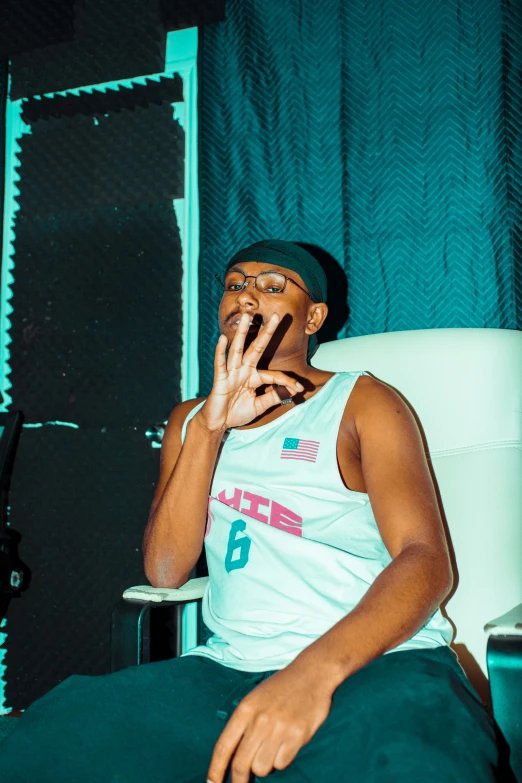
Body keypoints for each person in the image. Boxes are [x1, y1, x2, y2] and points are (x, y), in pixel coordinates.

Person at [0, 239, 505, 782]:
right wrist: (211, 430)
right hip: (228, 666)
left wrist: (310, 677)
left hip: (377, 661)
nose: (246, 297)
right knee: (45, 743)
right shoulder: (190, 421)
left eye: (271, 287)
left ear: (312, 318)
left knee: (415, 766)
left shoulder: (362, 402)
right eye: (235, 284)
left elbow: (426, 560)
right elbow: (165, 572)